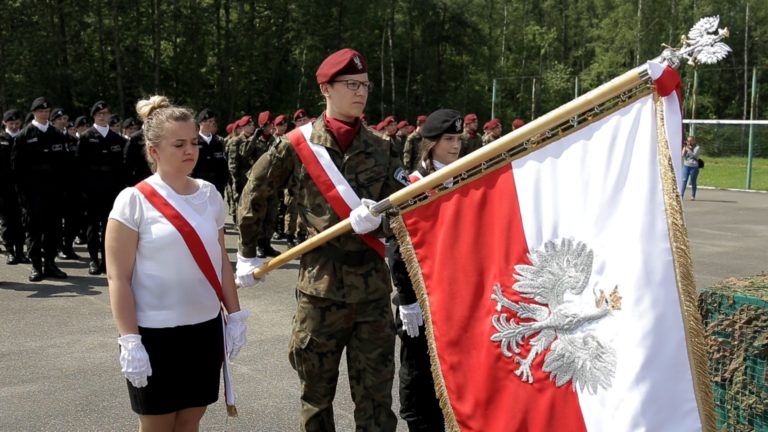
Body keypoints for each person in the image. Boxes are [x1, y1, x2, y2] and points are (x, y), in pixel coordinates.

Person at [237, 48, 405, 431]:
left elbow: (406, 207)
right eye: (351, 84)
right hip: (320, 291)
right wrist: (246, 252)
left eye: (365, 85)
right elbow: (256, 192)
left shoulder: (382, 146)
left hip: (372, 293)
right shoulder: (296, 145)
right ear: (326, 88)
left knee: (377, 403)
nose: (361, 92)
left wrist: (380, 222)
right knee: (315, 400)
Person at [105, 95, 248, 431]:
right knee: (157, 424)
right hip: (154, 335)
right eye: (179, 144)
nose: (190, 151)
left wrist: (235, 315)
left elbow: (220, 262)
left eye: (194, 142)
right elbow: (118, 278)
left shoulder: (209, 195)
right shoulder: (133, 201)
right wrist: (130, 340)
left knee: (190, 421)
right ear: (154, 151)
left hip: (203, 331)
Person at [389, 109, 462, 432]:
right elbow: (397, 248)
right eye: (449, 139)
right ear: (431, 143)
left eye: (458, 139)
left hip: (454, 295)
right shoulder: (413, 186)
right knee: (418, 372)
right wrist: (407, 299)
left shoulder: (464, 176)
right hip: (420, 298)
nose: (456, 145)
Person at [10, 97, 69, 281]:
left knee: (53, 229)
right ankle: (36, 266)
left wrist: (63, 191)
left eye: (46, 111)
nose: (44, 114)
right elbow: (16, 169)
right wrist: (22, 196)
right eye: (41, 111)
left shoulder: (57, 134)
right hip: (33, 191)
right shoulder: (24, 136)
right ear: (34, 112)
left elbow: (64, 166)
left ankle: (50, 263)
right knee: (34, 230)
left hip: (53, 190)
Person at [77, 100, 127, 275]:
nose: (103, 116)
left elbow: (122, 167)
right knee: (92, 225)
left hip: (112, 188)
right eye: (99, 114)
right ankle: (93, 259)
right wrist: (83, 190)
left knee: (109, 226)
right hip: (92, 188)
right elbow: (79, 166)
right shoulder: (86, 137)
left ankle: (107, 260)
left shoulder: (117, 139)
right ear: (94, 116)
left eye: (105, 113)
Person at [0, 109, 28, 265]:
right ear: (4, 123)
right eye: (11, 123)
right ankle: (10, 251)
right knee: (7, 221)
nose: (14, 126)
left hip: (21, 186)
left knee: (21, 221)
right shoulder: (1, 139)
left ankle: (20, 251)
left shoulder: (23, 138)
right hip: (5, 188)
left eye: (17, 123)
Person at [191, 108, 229, 196]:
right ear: (201, 123)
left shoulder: (218, 142)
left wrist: (224, 179)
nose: (212, 123)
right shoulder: (194, 141)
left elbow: (222, 163)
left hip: (217, 184)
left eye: (213, 121)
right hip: (199, 184)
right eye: (209, 121)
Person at [681, 135, 701, 201]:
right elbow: (682, 155)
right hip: (686, 165)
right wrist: (685, 148)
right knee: (684, 180)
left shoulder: (697, 147)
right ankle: (681, 195)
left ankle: (693, 195)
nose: (689, 142)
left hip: (694, 166)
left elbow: (695, 156)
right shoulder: (686, 146)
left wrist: (689, 150)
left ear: (693, 141)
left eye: (690, 141)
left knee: (693, 181)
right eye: (688, 141)